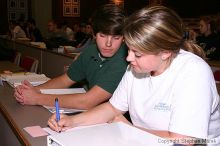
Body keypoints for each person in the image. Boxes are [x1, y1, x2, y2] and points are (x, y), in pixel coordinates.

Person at [48, 6, 220, 146]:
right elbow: (112, 108)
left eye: (137, 54)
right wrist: (73, 121)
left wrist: (130, 129)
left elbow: (183, 141)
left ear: (165, 53)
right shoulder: (136, 68)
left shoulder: (194, 73)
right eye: (129, 49)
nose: (129, 58)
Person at [14, 4, 128, 110]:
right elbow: (64, 80)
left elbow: (88, 101)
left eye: (116, 38)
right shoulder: (91, 51)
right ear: (94, 34)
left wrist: (36, 98)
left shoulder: (124, 60)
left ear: (123, 38)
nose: (108, 44)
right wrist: (33, 90)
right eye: (102, 36)